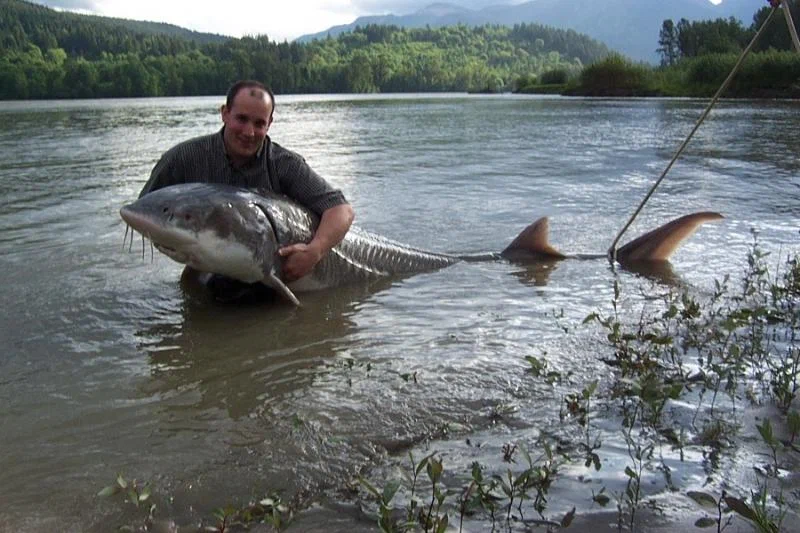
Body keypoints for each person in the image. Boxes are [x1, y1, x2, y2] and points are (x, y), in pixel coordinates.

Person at [139, 80, 354, 283]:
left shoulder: (284, 164)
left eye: (259, 123)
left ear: (269, 124)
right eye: (241, 119)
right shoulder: (183, 158)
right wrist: (187, 251)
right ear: (225, 113)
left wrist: (314, 252)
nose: (249, 132)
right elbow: (144, 211)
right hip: (209, 265)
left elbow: (340, 209)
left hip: (271, 269)